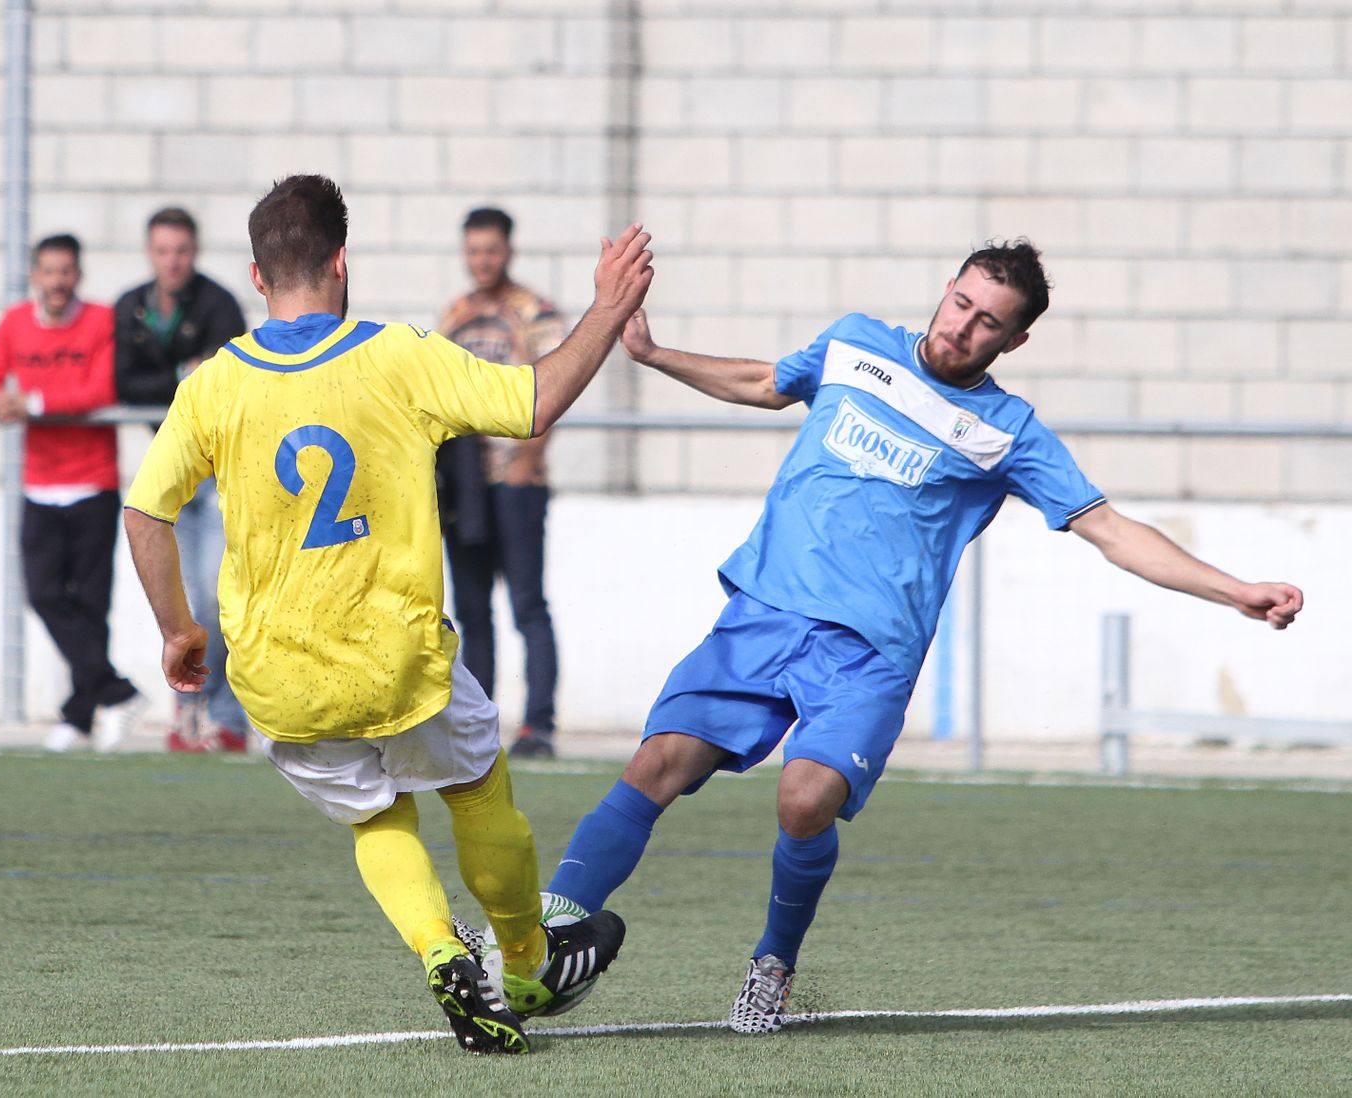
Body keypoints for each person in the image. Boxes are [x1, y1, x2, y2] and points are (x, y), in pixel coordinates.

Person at [533, 240, 1305, 1035]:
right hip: (765, 611)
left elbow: (1108, 528)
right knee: (655, 762)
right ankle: (542, 935)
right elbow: (766, 382)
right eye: (962, 304)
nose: (963, 327)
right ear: (947, 290)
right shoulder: (855, 344)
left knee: (804, 801)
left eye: (989, 323)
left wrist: (1235, 590)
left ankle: (773, 960)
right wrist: (654, 354)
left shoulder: (1009, 431)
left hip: (869, 655)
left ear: (1015, 341)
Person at [122, 175, 653, 1054]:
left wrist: (179, 630)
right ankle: (523, 961)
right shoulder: (397, 354)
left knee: (375, 819)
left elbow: (145, 512)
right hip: (399, 661)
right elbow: (532, 403)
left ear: (258, 277)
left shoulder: (214, 384)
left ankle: (444, 954)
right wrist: (604, 308)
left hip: (279, 677)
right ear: (340, 262)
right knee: (476, 787)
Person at [0, 233, 145, 752]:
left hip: (92, 481)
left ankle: (78, 715)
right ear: (35, 276)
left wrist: (36, 401)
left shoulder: (100, 320)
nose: (57, 281)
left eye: (66, 270)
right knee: (44, 594)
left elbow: (102, 389)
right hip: (40, 486)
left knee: (91, 605)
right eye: (49, 271)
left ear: (78, 275)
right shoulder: (14, 323)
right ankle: (116, 692)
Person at [113, 207, 250, 753]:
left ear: (194, 252)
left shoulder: (218, 304)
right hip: (170, 474)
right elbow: (126, 381)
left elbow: (222, 380)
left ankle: (225, 714)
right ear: (151, 253)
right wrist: (178, 378)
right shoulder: (132, 306)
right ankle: (189, 707)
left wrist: (182, 383)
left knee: (218, 597)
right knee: (182, 600)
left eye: (182, 251)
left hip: (216, 474)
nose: (173, 261)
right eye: (164, 250)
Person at [435, 208, 566, 759]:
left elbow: (557, 387)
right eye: (473, 250)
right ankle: (478, 723)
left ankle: (538, 726)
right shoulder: (455, 316)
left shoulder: (536, 312)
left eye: (490, 249)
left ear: (508, 250)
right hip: (466, 488)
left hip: (517, 482)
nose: (481, 259)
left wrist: (527, 457)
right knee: (471, 612)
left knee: (527, 606)